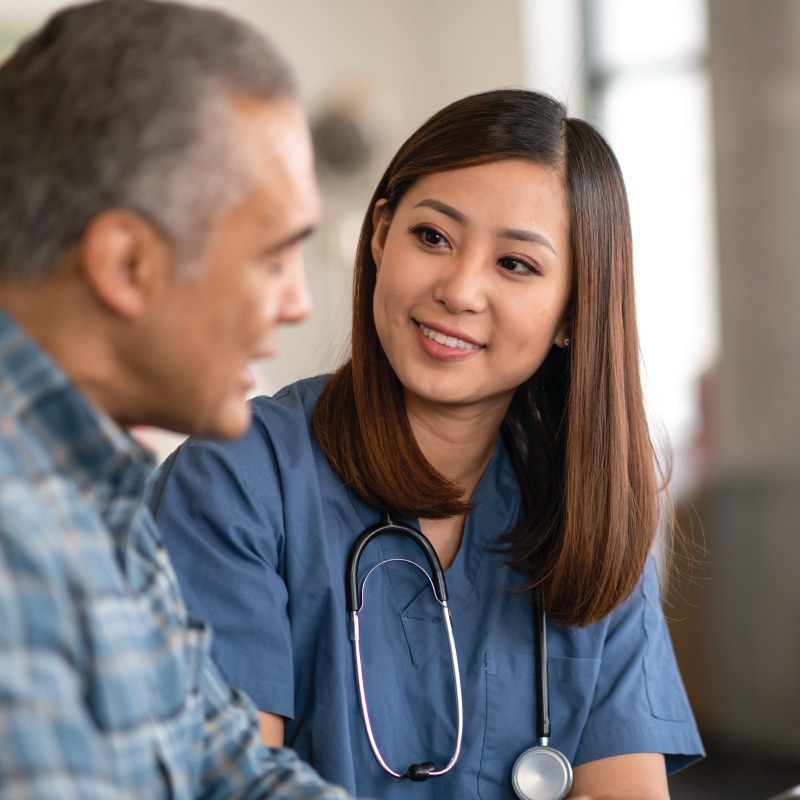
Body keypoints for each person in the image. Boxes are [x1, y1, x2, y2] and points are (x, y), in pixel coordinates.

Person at [149, 88, 705, 799]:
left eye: (517, 265)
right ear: (380, 235)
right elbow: (227, 784)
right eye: (433, 237)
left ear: (574, 311)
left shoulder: (582, 509)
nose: (460, 289)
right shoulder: (234, 481)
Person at [0, 1, 360, 797]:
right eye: (274, 258)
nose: (300, 302)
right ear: (128, 265)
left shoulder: (102, 496)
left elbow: (238, 770)